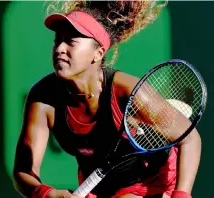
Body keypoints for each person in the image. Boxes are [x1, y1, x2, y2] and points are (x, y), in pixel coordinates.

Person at [13, 1, 202, 198]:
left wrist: (181, 195)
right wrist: (48, 194)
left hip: (153, 181)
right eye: (57, 40)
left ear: (98, 53)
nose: (60, 48)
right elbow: (23, 173)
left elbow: (190, 139)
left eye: (71, 41)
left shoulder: (128, 91)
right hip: (100, 187)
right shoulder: (42, 98)